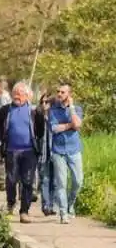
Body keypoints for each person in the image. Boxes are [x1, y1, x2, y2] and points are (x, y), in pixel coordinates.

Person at [0, 82, 44, 224]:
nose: (16, 96)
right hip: (11, 151)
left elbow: (40, 130)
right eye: (15, 93)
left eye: (20, 93)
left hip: (29, 151)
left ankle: (24, 211)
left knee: (27, 182)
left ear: (27, 96)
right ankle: (11, 203)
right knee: (11, 181)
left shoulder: (35, 111)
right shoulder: (5, 110)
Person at [48, 82, 84, 224]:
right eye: (58, 91)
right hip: (58, 151)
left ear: (69, 94)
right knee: (61, 183)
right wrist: (70, 126)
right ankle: (63, 213)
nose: (59, 94)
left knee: (78, 181)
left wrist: (72, 109)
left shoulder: (77, 109)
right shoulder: (53, 109)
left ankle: (70, 204)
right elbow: (54, 128)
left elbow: (78, 125)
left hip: (74, 150)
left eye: (63, 92)